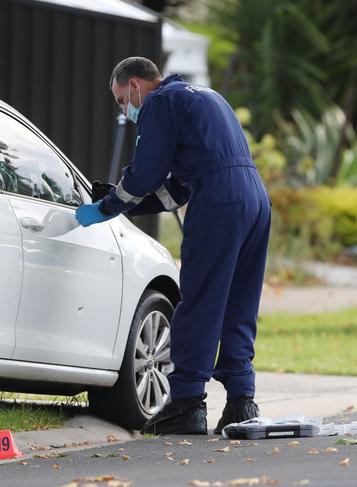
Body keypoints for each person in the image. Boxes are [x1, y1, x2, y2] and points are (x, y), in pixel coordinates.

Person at [76, 57, 271, 435]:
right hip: (256, 200)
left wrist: (108, 205)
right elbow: (174, 190)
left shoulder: (159, 103)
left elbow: (145, 172)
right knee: (239, 301)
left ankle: (186, 402)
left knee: (199, 298)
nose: (124, 109)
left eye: (121, 100)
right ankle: (241, 401)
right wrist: (125, 205)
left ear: (135, 85)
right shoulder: (208, 97)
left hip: (219, 201)